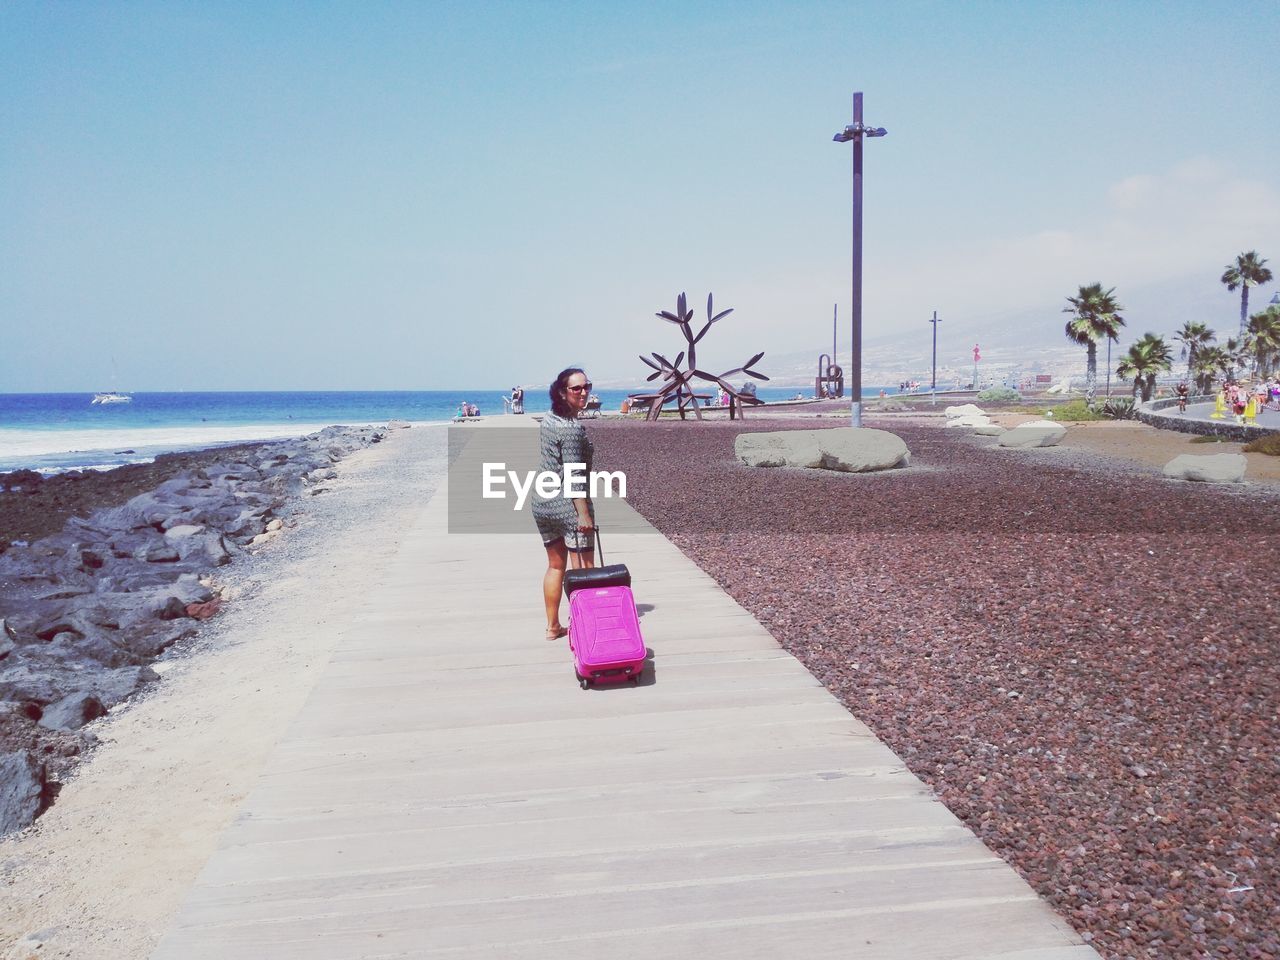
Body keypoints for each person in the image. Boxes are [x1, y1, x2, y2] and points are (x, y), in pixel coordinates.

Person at [533, 368, 596, 641]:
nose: (583, 392)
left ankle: (552, 627)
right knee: (584, 570)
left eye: (586, 386)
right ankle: (585, 627)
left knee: (555, 565)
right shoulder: (570, 430)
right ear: (562, 392)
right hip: (566, 503)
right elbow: (573, 477)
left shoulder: (549, 418)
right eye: (576, 388)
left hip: (541, 501)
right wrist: (583, 515)